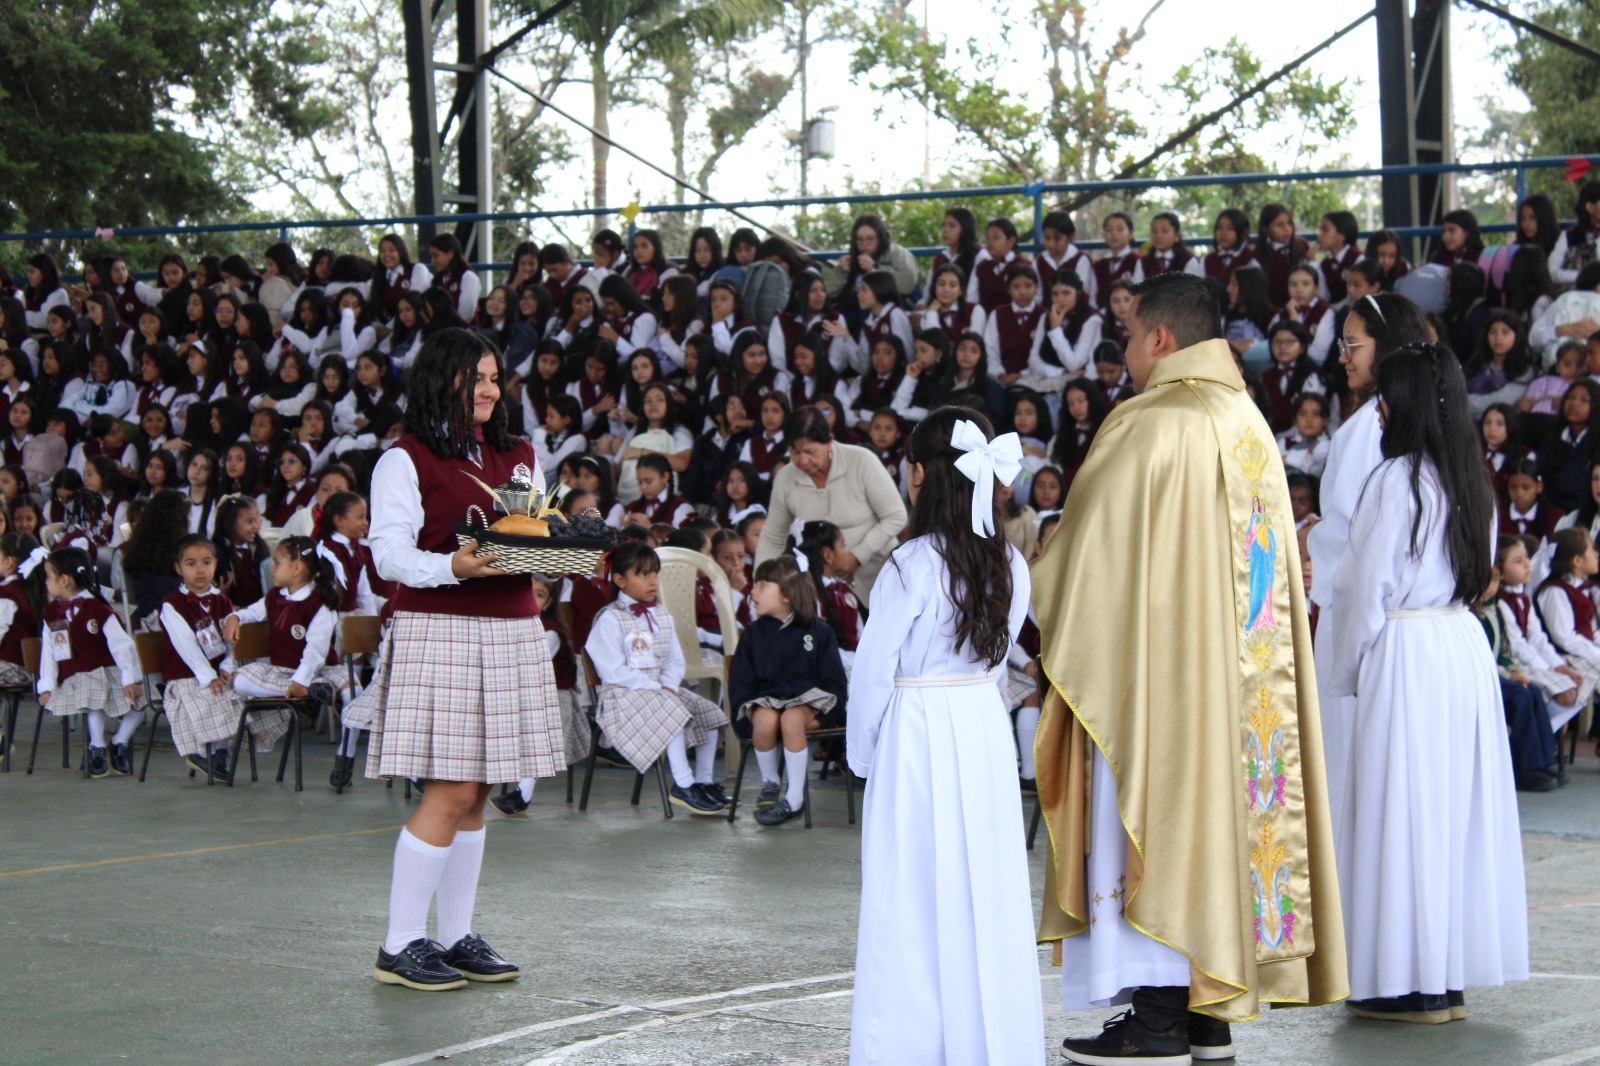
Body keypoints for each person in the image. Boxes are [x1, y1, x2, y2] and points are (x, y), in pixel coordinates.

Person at [1034, 273, 1346, 1062]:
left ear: (1161, 340)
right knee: (1227, 830)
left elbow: (1080, 558)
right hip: (1245, 700)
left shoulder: (1147, 424)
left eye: (1132, 335)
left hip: (1162, 685)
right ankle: (1206, 1013)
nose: (1127, 354)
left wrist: (1020, 579)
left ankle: (1161, 1018)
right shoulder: (1249, 425)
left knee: (1158, 821)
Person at [1325, 342, 1528, 1021]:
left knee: (1400, 811)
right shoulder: (1470, 478)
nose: (1378, 408)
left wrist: (1347, 671)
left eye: (1386, 395)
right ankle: (1445, 975)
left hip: (1406, 648)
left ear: (1408, 402)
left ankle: (1403, 982)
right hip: (1459, 646)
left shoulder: (1396, 481)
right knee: (1448, 815)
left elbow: (1361, 589)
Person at [361, 327, 565, 990]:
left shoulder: (520, 452)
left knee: (478, 792)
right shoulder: (404, 458)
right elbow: (387, 556)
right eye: (474, 376)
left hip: (512, 627)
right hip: (440, 629)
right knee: (450, 789)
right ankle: (399, 944)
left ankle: (452, 937)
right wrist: (453, 564)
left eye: (493, 377)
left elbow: (528, 536)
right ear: (440, 378)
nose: (487, 389)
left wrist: (561, 552)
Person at [845, 406, 1041, 1065]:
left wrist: (864, 756)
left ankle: (909, 1045)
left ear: (920, 474)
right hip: (982, 725)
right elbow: (1006, 647)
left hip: (919, 728)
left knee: (912, 892)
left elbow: (874, 671)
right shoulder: (1011, 560)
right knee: (983, 885)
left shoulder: (910, 564)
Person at [1305, 292, 1432, 836]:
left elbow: (1358, 534)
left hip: (1361, 615)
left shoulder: (1369, 430)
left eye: (1353, 345)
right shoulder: (1430, 423)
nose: (1343, 357)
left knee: (1350, 766)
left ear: (1393, 346)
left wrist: (1306, 545)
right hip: (1410, 623)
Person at [585, 540, 730, 815]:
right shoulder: (609, 619)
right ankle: (682, 784)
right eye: (643, 574)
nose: (653, 580)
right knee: (671, 709)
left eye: (655, 572)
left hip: (659, 691)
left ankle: (703, 782)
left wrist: (669, 685)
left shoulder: (662, 614)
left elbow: (674, 660)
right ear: (619, 580)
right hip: (623, 697)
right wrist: (655, 687)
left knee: (710, 713)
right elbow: (612, 671)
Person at [727, 554, 849, 827]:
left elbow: (835, 684)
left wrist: (823, 720)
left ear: (787, 594)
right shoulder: (752, 635)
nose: (753, 591)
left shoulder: (819, 632)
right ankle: (770, 783)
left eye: (762, 585)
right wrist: (746, 714)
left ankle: (794, 800)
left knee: (792, 718)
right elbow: (741, 685)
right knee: (767, 717)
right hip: (767, 704)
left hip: (808, 703)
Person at [159, 534, 287, 783]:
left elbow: (231, 642)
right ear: (179, 568)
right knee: (215, 696)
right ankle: (207, 753)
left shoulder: (223, 601)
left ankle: (217, 752)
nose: (200, 570)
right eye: (191, 564)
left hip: (219, 674)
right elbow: (186, 646)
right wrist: (208, 677)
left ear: (215, 564)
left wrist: (227, 667)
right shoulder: (171, 605)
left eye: (206, 562)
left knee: (239, 694)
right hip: (187, 677)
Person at [755, 406, 907, 607]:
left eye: (810, 452)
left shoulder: (862, 461)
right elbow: (773, 537)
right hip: (824, 589)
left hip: (879, 576)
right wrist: (761, 583)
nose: (802, 461)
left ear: (829, 442)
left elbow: (896, 516)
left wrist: (858, 555)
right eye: (794, 452)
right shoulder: (785, 479)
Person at [37, 547, 144, 779]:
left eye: (48, 576)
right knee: (93, 700)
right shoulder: (50, 614)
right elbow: (48, 653)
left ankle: (119, 742)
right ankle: (96, 746)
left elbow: (122, 645)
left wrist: (129, 678)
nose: (46, 582)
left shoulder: (99, 609)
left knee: (141, 703)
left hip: (110, 672)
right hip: (78, 675)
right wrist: (46, 686)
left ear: (64, 580)